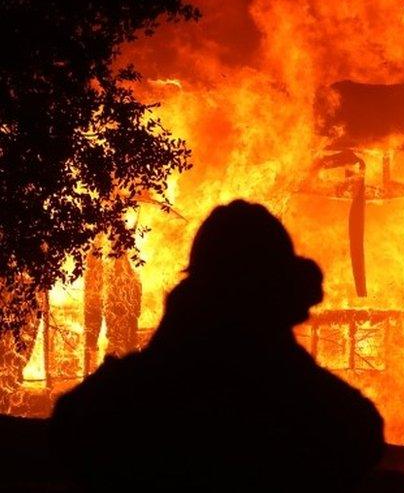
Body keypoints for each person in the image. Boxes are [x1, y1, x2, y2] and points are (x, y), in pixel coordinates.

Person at [51, 200, 385, 490]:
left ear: (196, 283)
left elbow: (70, 434)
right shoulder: (329, 414)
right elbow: (360, 436)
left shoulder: (114, 403)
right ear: (280, 288)